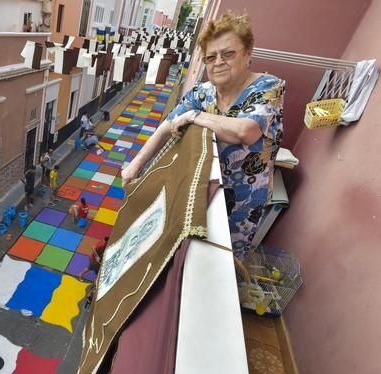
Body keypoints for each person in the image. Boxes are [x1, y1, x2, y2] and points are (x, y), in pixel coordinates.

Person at [121, 11, 285, 259]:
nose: (218, 62)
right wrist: (135, 165)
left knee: (223, 263)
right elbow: (167, 125)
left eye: (228, 53)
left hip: (241, 207)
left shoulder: (268, 87)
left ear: (248, 54)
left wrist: (194, 117)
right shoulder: (203, 92)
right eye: (211, 57)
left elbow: (245, 131)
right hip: (200, 194)